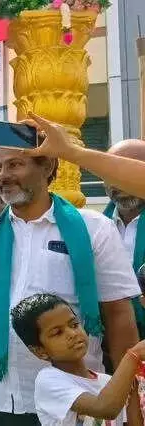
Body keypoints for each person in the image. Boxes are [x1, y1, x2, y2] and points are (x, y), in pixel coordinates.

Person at [0, 148, 141, 426]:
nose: (3, 176)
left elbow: (119, 314)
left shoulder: (94, 228)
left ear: (47, 166)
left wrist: (132, 403)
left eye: (15, 165)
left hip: (76, 401)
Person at [11, 293, 144, 426]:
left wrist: (132, 384)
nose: (72, 334)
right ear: (39, 351)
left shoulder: (107, 382)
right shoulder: (49, 381)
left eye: (74, 324)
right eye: (57, 333)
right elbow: (104, 409)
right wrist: (132, 356)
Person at [23, 114, 145, 199]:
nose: (120, 181)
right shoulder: (98, 225)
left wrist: (70, 151)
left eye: (133, 166)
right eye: (109, 173)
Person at [102, 139, 145, 338]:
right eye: (111, 170)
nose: (119, 179)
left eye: (129, 170)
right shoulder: (92, 228)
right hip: (107, 339)